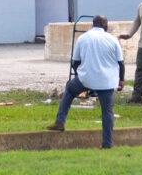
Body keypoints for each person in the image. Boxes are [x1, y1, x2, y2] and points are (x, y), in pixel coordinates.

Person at [46, 15, 124, 149]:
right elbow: (121, 63)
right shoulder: (112, 40)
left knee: (70, 90)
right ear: (105, 25)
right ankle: (107, 143)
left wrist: (80, 74)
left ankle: (60, 122)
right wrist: (121, 80)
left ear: (92, 25)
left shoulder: (83, 38)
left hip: (86, 78)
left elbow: (75, 62)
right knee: (107, 111)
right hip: (107, 81)